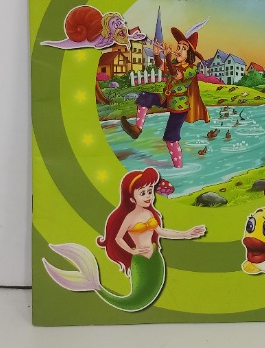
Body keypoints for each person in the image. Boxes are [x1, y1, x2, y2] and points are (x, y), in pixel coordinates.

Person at [42, 168, 205, 312]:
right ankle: (94, 285)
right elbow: (118, 238)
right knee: (137, 299)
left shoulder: (150, 214)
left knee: (150, 292)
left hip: (156, 261)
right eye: (142, 193)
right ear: (132, 198)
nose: (148, 196)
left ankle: (94, 284)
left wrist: (185, 234)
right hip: (140, 262)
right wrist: (133, 251)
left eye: (150, 191)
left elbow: (161, 231)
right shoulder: (129, 218)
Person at [120, 27, 209, 167]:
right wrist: (157, 54)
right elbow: (161, 66)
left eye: (183, 48)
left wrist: (167, 56)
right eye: (178, 47)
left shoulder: (191, 68)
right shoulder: (174, 63)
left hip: (179, 106)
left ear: (190, 54)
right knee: (145, 97)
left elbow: (176, 74)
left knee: (170, 138)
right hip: (167, 98)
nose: (178, 50)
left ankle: (178, 167)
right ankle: (137, 129)